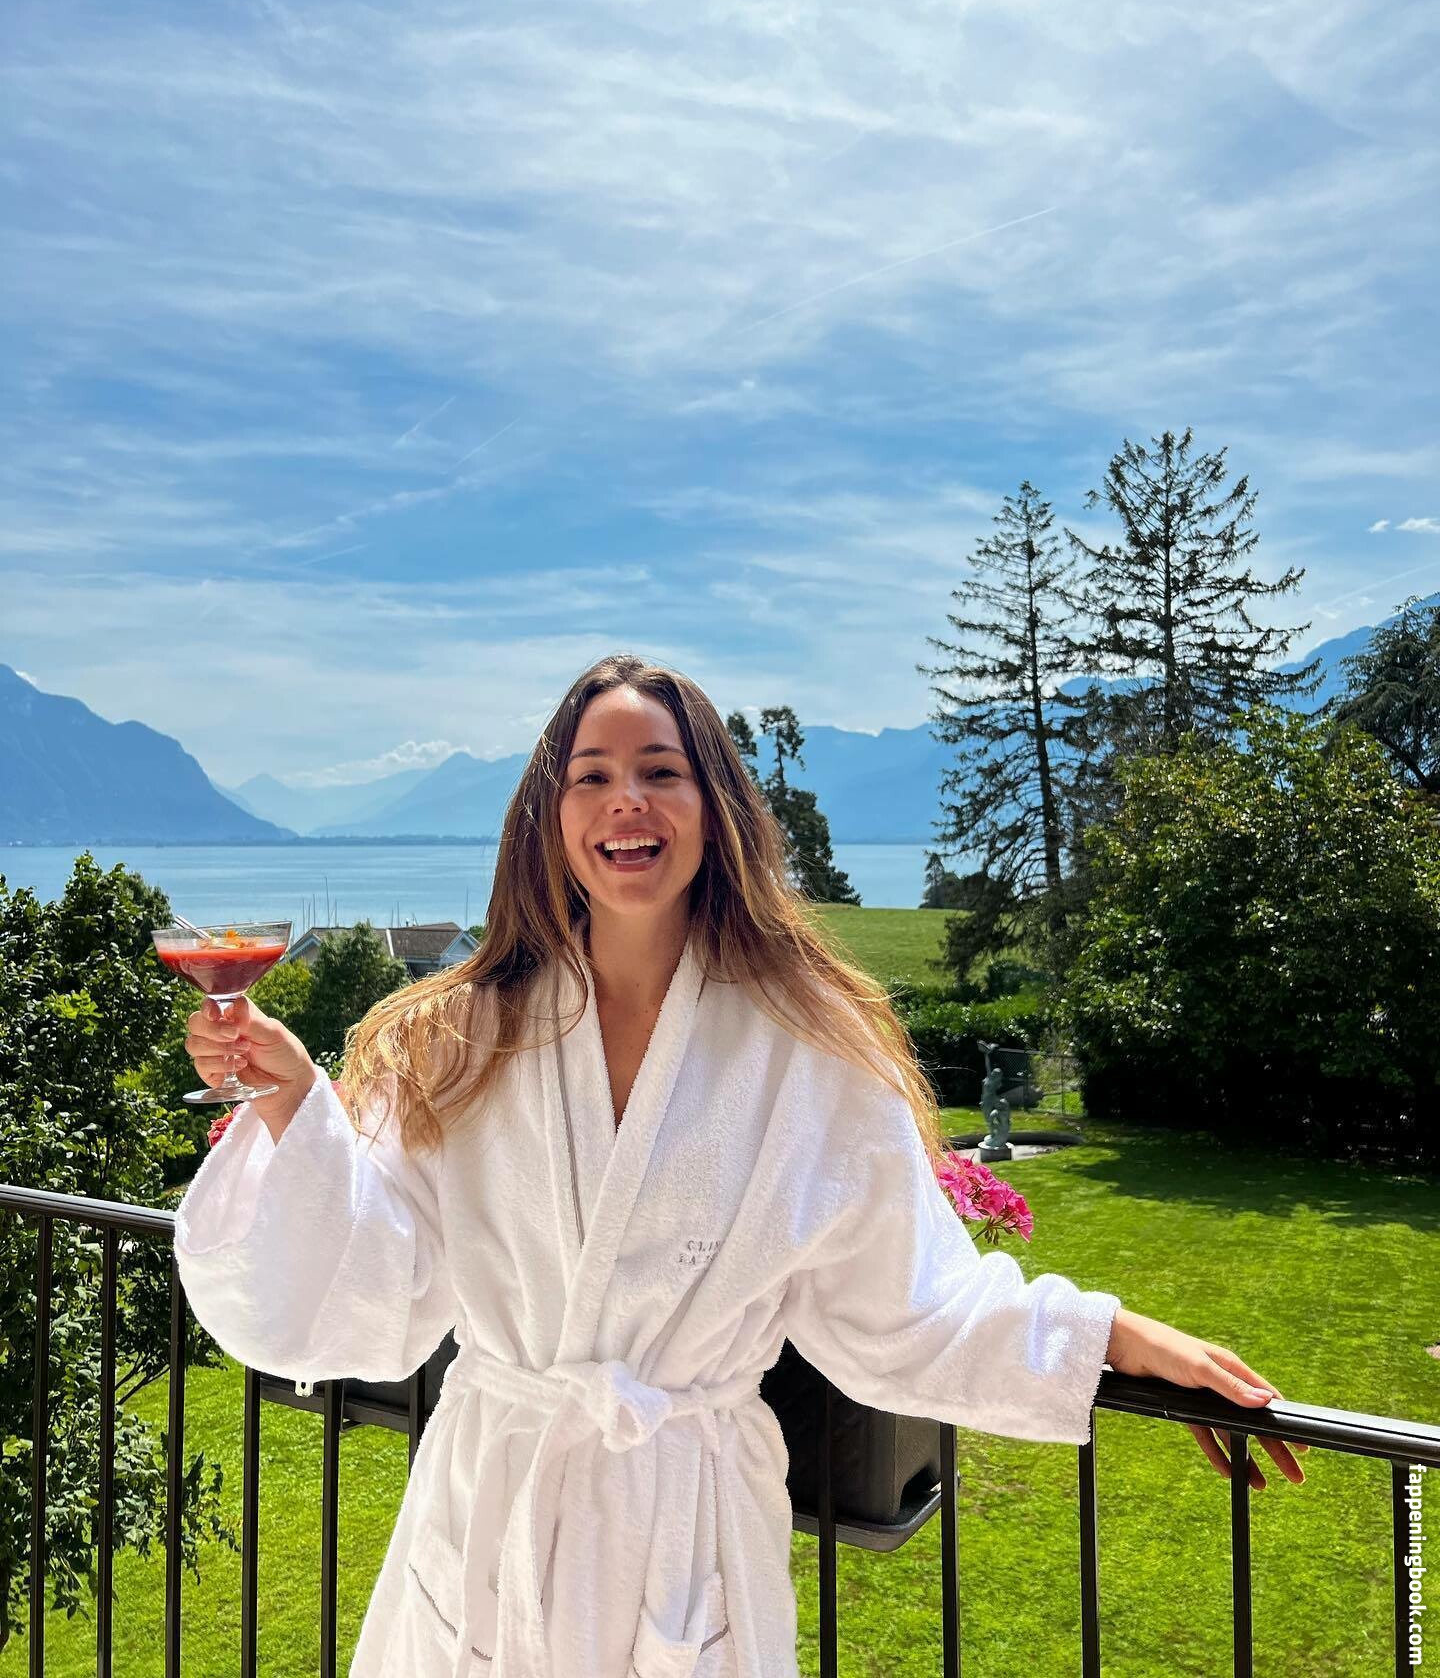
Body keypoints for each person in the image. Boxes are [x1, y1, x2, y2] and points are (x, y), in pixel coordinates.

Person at [174, 653, 1306, 1678]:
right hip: (489, 1513)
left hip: (688, 1527)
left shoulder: (812, 1049)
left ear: (714, 809)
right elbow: (377, 1277)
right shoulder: (458, 1037)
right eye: (592, 775)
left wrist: (1108, 1338)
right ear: (549, 818)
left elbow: (909, 1308)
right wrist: (293, 1101)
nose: (627, 799)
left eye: (661, 772)